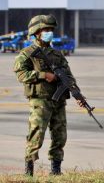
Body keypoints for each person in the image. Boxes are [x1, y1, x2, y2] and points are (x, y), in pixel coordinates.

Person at [13, 15, 82, 176]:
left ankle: (55, 170)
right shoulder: (28, 53)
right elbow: (21, 74)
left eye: (51, 30)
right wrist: (44, 75)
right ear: (36, 32)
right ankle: (29, 171)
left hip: (59, 102)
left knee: (60, 135)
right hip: (40, 101)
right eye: (46, 30)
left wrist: (77, 94)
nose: (49, 32)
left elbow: (69, 77)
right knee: (36, 135)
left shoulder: (57, 55)